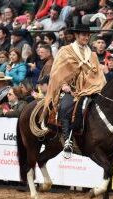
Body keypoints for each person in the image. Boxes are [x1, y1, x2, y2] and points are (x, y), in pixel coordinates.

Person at [42, 23, 106, 157]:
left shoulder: (92, 54)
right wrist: (64, 85)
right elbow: (58, 71)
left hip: (91, 88)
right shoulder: (65, 51)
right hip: (71, 89)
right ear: (76, 35)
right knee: (66, 107)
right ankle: (67, 140)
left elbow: (97, 73)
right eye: (83, 35)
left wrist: (98, 85)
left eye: (88, 35)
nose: (86, 37)